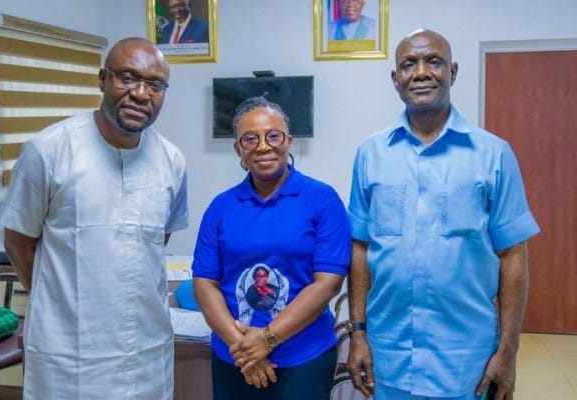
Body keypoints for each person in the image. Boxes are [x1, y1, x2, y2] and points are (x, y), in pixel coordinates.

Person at [346, 29, 540, 399]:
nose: (421, 72)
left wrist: (508, 350)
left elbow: (512, 256)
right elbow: (360, 246)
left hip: (468, 365)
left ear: (453, 71)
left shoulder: (494, 155)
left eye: (433, 61)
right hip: (390, 359)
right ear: (395, 79)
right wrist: (357, 332)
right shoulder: (370, 155)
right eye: (408, 64)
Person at [0, 37, 188, 399]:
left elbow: (156, 241)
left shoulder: (172, 162)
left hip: (144, 347)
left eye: (155, 85)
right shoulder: (49, 151)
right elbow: (17, 241)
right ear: (102, 79)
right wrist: (61, 302)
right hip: (68, 351)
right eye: (128, 78)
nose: (141, 94)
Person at [192, 96, 351, 400]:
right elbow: (204, 283)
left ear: (289, 141)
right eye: (250, 139)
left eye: (273, 135)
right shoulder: (221, 207)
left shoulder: (322, 200)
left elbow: (327, 283)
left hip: (303, 360)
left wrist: (267, 340)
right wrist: (244, 349)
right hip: (234, 359)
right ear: (239, 149)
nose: (263, 146)